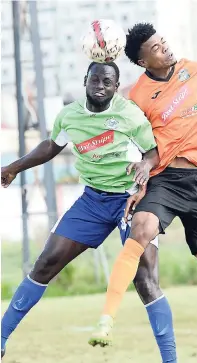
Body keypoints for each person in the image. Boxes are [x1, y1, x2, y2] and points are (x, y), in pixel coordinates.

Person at [90, 9, 197, 363]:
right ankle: (106, 320)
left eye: (164, 42)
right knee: (141, 229)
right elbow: (141, 144)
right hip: (165, 179)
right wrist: (140, 177)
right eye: (157, 48)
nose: (166, 49)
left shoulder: (191, 68)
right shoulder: (138, 97)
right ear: (144, 60)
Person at [1, 62, 166, 359]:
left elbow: (152, 151)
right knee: (45, 263)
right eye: (95, 79)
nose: (100, 85)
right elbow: (51, 147)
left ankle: (171, 358)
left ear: (116, 87)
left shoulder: (128, 114)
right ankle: (0, 339)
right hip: (92, 201)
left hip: (131, 200)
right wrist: (13, 168)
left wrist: (145, 166)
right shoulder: (69, 116)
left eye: (107, 81)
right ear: (85, 80)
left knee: (145, 280)